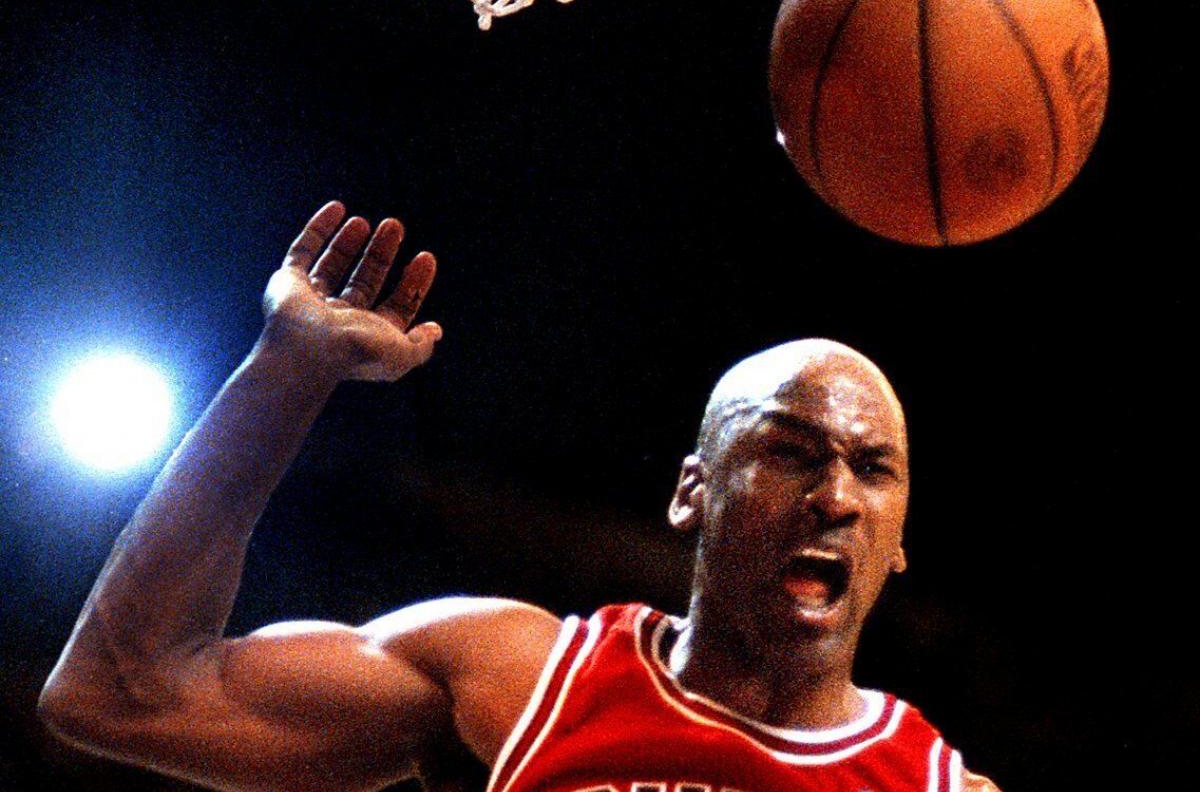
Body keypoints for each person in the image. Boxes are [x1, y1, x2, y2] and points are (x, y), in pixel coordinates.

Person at [39, 203, 1000, 792]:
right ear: (692, 494)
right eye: (789, 454)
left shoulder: (934, 785)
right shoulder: (519, 677)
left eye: (873, 469)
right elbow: (120, 692)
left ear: (900, 538)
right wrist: (287, 371)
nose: (835, 496)